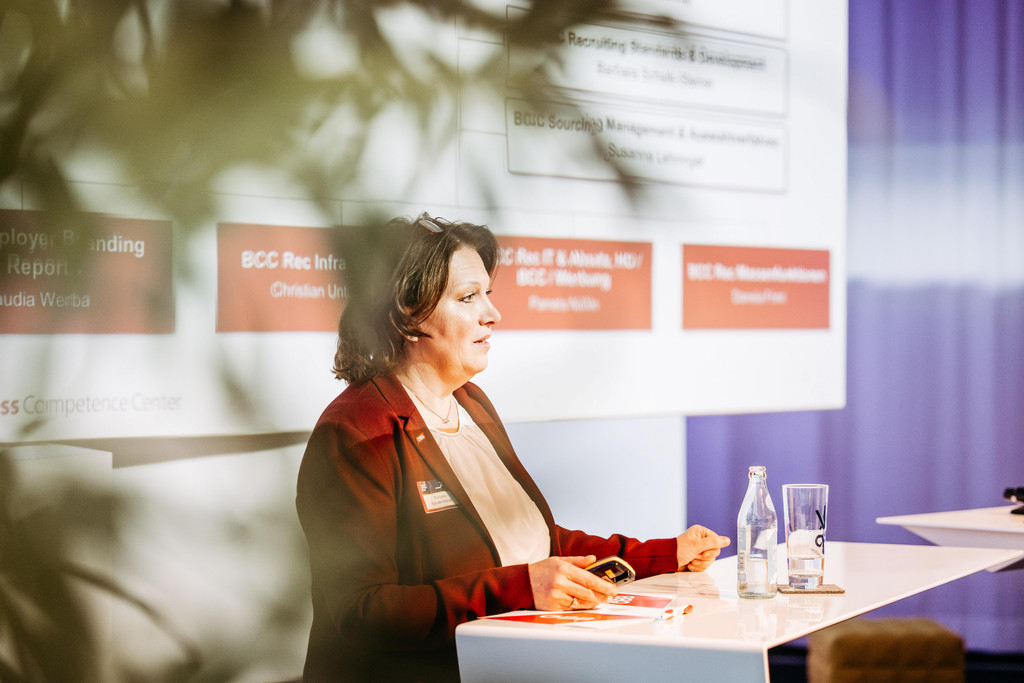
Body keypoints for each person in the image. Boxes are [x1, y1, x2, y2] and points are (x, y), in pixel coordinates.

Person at [295, 213, 730, 682]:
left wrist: (666, 554)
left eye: (488, 294)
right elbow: (361, 611)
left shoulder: (471, 403)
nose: (492, 314)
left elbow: (534, 540)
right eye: (468, 297)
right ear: (407, 316)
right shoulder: (355, 431)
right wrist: (521, 587)